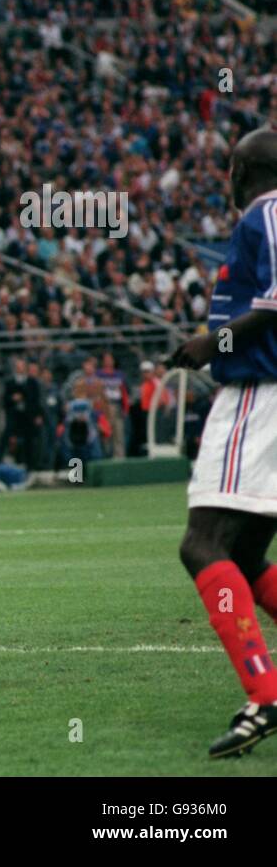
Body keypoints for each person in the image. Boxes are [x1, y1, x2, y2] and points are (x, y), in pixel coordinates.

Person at [168, 127, 277, 758]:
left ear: (241, 170)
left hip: (259, 396)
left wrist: (213, 343)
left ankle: (265, 693)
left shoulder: (268, 213)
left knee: (201, 543)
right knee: (249, 555)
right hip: (256, 391)